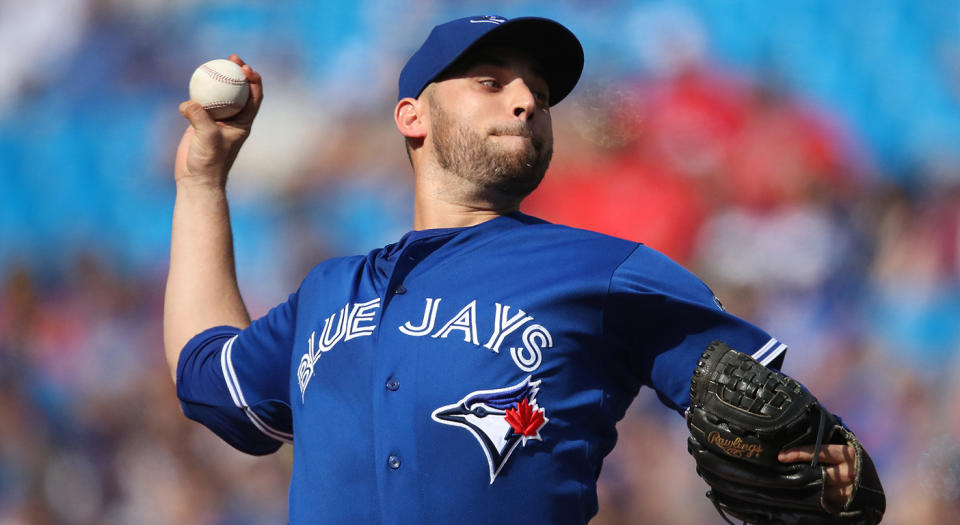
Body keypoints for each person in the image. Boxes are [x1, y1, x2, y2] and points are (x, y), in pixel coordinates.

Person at [166, 15, 867, 524]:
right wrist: (202, 182)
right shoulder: (328, 291)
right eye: (489, 81)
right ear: (413, 117)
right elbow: (208, 380)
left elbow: (774, 416)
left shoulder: (604, 270)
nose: (526, 100)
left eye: (536, 92)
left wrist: (826, 466)